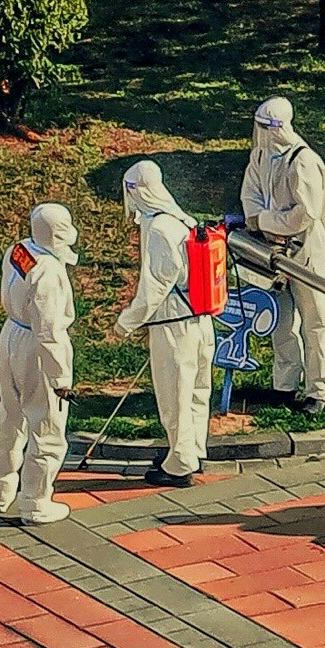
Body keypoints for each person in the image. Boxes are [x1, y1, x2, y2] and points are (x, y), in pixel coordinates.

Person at [237, 96, 325, 414]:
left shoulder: (303, 161)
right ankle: (285, 384)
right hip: (273, 251)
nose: (259, 133)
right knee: (281, 321)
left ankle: (319, 390)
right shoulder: (260, 156)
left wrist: (263, 221)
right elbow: (250, 193)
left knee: (316, 323)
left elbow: (307, 213)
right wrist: (260, 221)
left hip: (309, 253)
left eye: (264, 127)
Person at [112, 161, 211, 486]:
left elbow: (155, 285)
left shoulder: (157, 229)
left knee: (174, 393)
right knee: (197, 388)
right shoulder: (180, 218)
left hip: (174, 322)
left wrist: (126, 322)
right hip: (199, 316)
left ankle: (179, 464)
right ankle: (194, 449)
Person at [0, 198, 79, 525]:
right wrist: (61, 379)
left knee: (10, 416)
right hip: (37, 350)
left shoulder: (20, 250)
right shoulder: (50, 273)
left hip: (11, 334)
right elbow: (49, 331)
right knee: (47, 427)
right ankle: (36, 504)